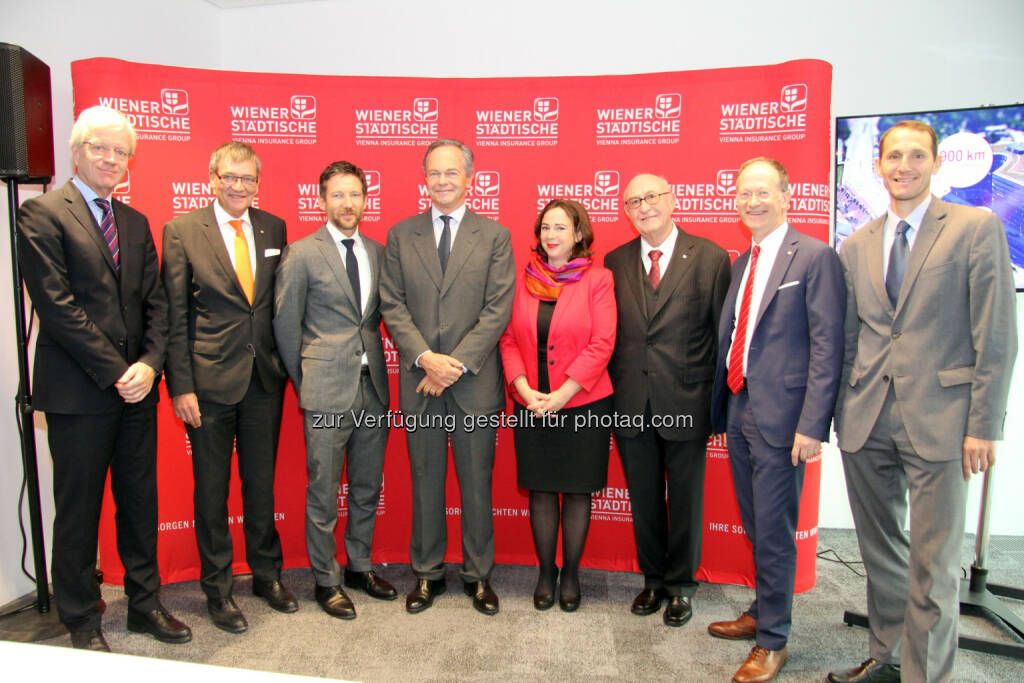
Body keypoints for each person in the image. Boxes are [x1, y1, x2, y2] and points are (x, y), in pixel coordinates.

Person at [829, 121, 1017, 683]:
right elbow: (849, 339)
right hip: (866, 419)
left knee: (933, 563)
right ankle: (887, 658)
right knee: (882, 552)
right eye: (892, 156)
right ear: (878, 166)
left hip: (943, 421)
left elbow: (996, 333)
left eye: (916, 156)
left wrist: (984, 424)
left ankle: (924, 676)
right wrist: (840, 412)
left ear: (937, 163)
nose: (903, 166)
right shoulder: (856, 243)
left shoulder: (974, 228)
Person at [17, 105, 190, 650]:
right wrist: (119, 371)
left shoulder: (134, 222)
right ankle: (81, 619)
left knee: (140, 503)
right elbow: (58, 306)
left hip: (137, 390)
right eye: (101, 148)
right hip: (80, 392)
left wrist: (148, 365)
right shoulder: (41, 214)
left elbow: (158, 305)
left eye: (121, 152)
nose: (111, 159)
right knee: (78, 511)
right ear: (77, 150)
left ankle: (143, 604)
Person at [709, 157, 845, 682]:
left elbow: (828, 346)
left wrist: (813, 424)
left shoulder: (813, 257)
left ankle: (774, 642)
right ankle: (764, 610)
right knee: (756, 520)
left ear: (786, 195)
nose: (751, 201)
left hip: (785, 418)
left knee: (774, 528)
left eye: (762, 191)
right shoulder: (743, 262)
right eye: (743, 193)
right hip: (742, 407)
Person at [162, 141, 295, 634]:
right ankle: (218, 589)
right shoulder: (181, 231)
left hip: (264, 379)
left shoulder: (274, 226)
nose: (239, 186)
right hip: (207, 384)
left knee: (260, 486)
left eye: (248, 179)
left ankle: (266, 575)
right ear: (212, 177)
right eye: (230, 177)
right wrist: (181, 385)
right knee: (211, 492)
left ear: (258, 182)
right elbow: (174, 314)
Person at [379, 138, 515, 616]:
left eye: (451, 173)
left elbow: (497, 310)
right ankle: (427, 573)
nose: (442, 181)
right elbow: (391, 304)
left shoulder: (494, 236)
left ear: (469, 177)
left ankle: (479, 577)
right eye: (434, 173)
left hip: (472, 385)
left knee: (477, 484)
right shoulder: (401, 235)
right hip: (421, 384)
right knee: (425, 481)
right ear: (425, 179)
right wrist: (424, 358)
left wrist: (451, 365)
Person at [605, 173, 731, 627]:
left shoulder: (711, 257)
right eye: (633, 201)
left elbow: (722, 338)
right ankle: (652, 581)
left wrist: (718, 405)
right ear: (626, 210)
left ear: (673, 198)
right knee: (643, 499)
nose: (644, 206)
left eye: (652, 196)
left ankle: (680, 586)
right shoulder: (614, 261)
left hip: (688, 399)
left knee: (685, 499)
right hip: (632, 400)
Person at [273, 161, 396, 620]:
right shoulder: (302, 253)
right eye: (338, 195)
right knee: (324, 490)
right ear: (322, 200)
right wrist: (308, 384)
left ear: (366, 200)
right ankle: (326, 579)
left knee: (366, 485)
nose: (348, 204)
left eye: (355, 195)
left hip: (373, 388)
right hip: (325, 388)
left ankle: (360, 565)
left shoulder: (380, 253)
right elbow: (285, 325)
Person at [499, 199, 616, 612]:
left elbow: (603, 342)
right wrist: (523, 390)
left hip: (582, 404)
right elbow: (508, 339)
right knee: (542, 490)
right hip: (532, 404)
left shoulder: (598, 279)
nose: (551, 235)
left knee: (578, 490)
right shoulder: (523, 280)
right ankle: (546, 572)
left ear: (579, 234)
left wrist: (563, 395)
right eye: (545, 227)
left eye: (561, 228)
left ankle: (571, 574)